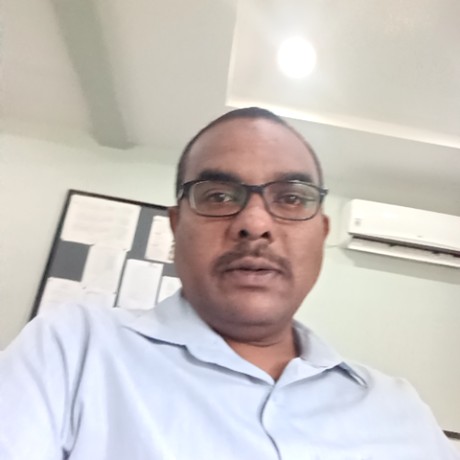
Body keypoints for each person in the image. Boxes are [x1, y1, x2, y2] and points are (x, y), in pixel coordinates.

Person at [0, 107, 458, 460]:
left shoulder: (398, 411)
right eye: (218, 196)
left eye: (291, 198)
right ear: (176, 226)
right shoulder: (73, 350)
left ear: (321, 233)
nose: (254, 223)